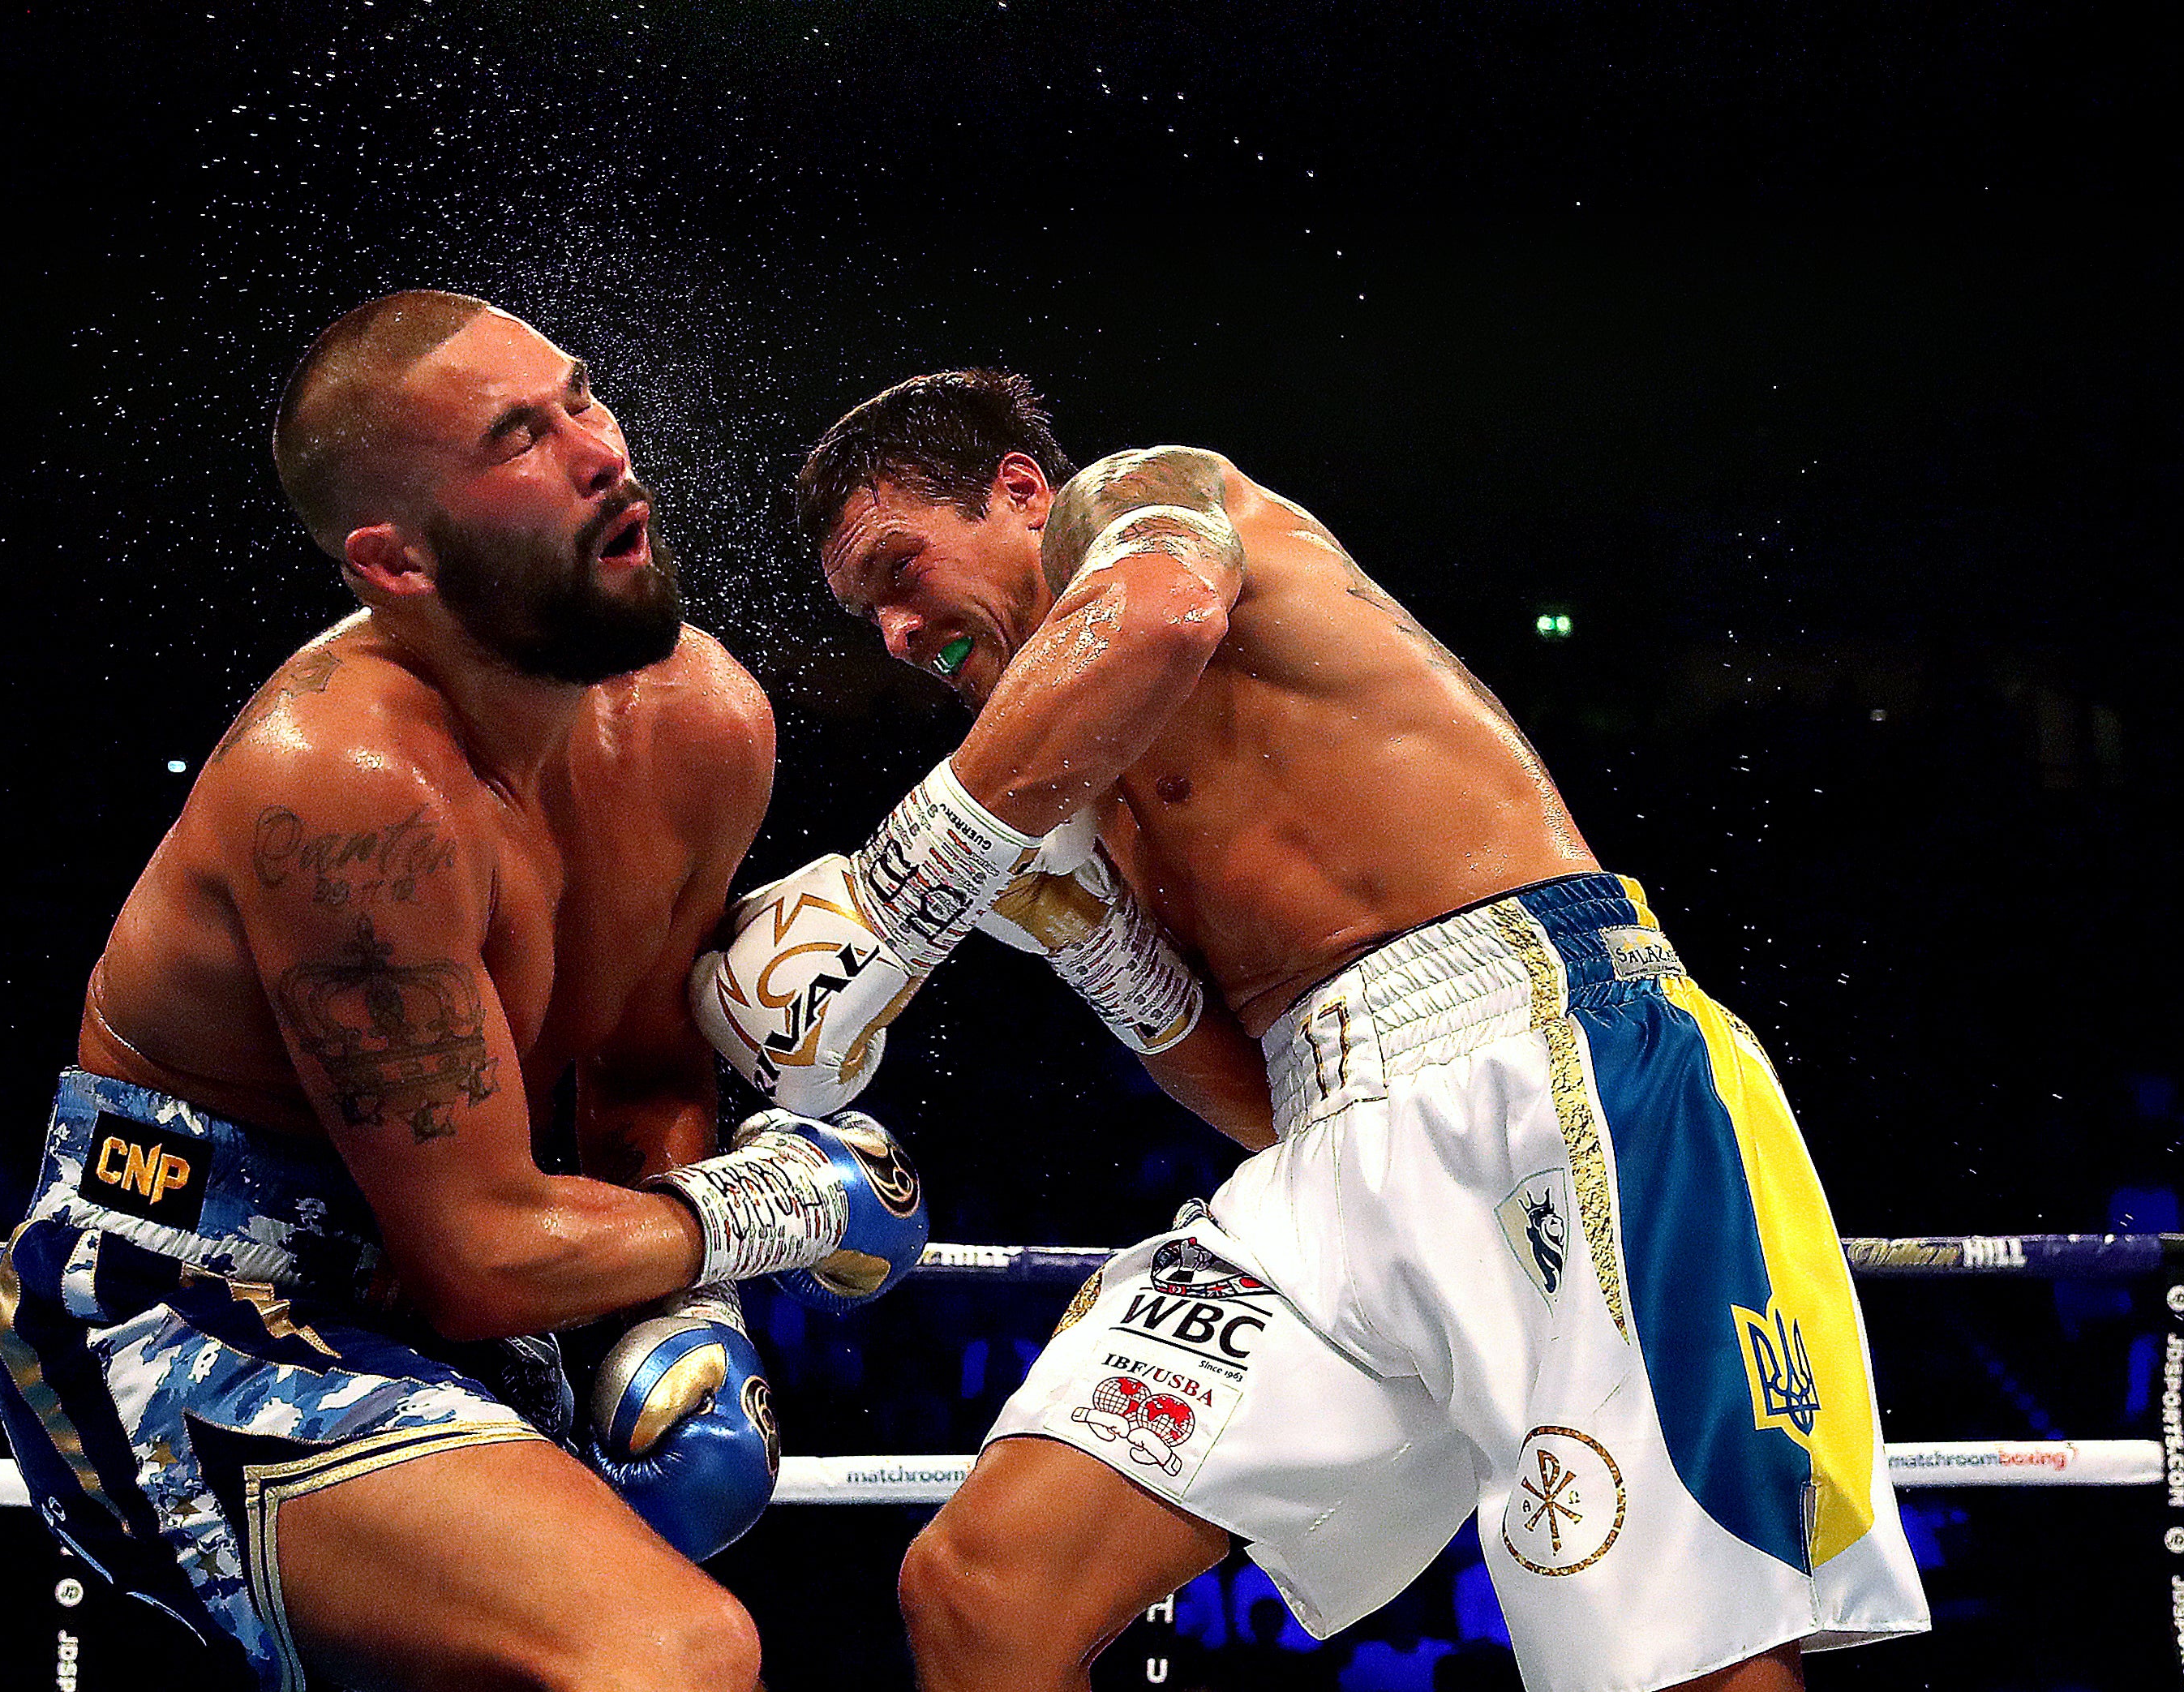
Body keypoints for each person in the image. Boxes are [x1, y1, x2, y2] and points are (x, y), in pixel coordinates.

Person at [694, 370, 1928, 1692]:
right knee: (983, 1590)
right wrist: (1094, 941)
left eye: (896, 569)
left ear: (1016, 491)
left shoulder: (1147, 497)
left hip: (1562, 1056)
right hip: (1326, 1149)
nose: (888, 630)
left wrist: (901, 884)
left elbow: (1160, 610)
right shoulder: (1068, 806)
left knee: (1685, 1671)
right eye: (860, 610)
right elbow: (1264, 1095)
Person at [0, 290, 929, 1692]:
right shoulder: (348, 787)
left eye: (580, 397)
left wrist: (689, 1321)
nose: (600, 450)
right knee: (662, 1648)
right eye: (516, 439)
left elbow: (640, 1073)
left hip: (445, 1287)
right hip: (183, 1289)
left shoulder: (702, 726)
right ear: (399, 559)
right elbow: (480, 1252)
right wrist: (775, 1203)